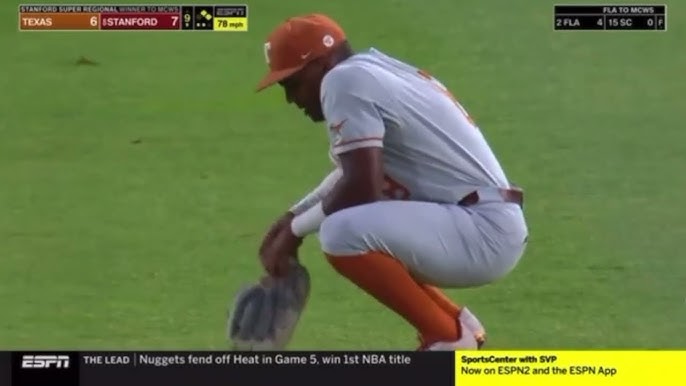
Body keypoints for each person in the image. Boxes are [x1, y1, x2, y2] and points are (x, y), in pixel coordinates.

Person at [256, 13, 528, 351]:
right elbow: (354, 174)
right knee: (350, 224)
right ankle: (455, 327)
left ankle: (446, 337)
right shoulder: (370, 69)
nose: (291, 99)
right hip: (483, 219)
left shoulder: (342, 81)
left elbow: (362, 186)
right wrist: (290, 220)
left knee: (342, 232)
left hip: (480, 228)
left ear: (320, 64)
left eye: (292, 83)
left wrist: (295, 231)